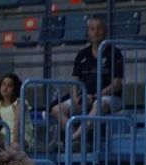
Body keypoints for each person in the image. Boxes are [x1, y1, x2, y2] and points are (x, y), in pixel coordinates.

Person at [53, 16, 124, 145]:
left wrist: (95, 96)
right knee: (57, 109)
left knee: (98, 104)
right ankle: (77, 137)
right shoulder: (82, 54)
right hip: (85, 97)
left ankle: (74, 138)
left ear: (105, 31)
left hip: (110, 98)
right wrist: (75, 98)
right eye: (92, 29)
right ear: (88, 32)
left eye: (99, 28)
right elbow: (75, 80)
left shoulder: (114, 53)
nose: (96, 31)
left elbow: (117, 84)